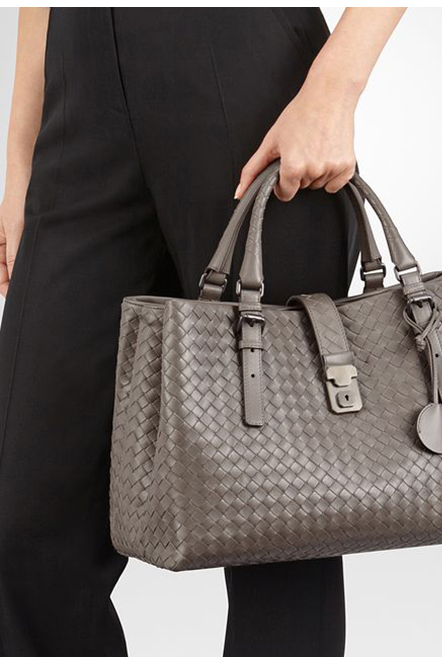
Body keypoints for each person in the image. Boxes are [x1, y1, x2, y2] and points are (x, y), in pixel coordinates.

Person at [0, 7, 406, 657]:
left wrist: (334, 88)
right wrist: (20, 152)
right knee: (24, 527)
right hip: (78, 89)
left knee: (282, 524)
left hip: (245, 79)